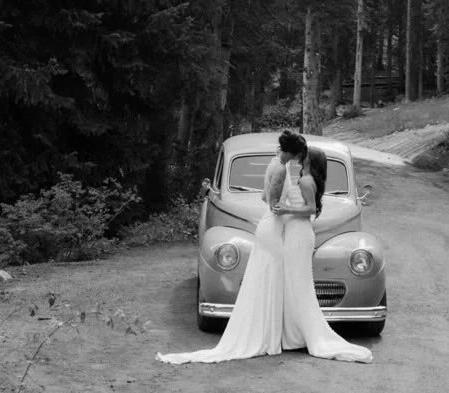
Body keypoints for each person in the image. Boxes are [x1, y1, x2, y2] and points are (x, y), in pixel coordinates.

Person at [156, 129, 307, 363]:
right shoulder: (280, 169)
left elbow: (263, 198)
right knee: (271, 275)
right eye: (298, 154)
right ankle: (268, 334)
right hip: (273, 227)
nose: (299, 159)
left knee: (267, 276)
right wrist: (295, 206)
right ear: (293, 152)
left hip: (268, 226)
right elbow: (273, 203)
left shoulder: (275, 163)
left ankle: (269, 331)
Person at [273, 145, 372, 362]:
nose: (301, 155)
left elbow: (309, 209)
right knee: (293, 281)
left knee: (298, 281)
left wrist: (285, 209)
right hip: (294, 232)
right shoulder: (304, 177)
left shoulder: (307, 181)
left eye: (305, 154)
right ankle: (292, 330)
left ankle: (297, 333)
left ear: (310, 160)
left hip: (299, 233)